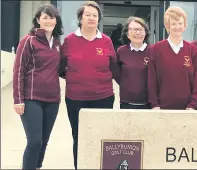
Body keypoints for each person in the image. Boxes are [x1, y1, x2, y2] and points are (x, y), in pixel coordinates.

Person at [58, 1, 119, 169]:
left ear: (99, 19)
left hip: (104, 97)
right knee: (79, 137)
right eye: (88, 15)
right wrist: (75, 77)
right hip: (76, 98)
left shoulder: (106, 41)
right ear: (80, 18)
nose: (92, 18)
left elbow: (114, 68)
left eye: (95, 15)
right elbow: (60, 67)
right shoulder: (69, 41)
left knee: (101, 136)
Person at [12, 4, 63, 169]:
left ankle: (36, 166)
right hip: (31, 98)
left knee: (44, 141)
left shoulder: (56, 43)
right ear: (38, 20)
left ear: (57, 20)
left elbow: (61, 69)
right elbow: (18, 71)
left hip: (53, 100)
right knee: (35, 141)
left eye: (52, 17)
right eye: (45, 17)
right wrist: (18, 99)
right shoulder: (28, 41)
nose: (49, 20)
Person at [148, 6, 197, 110]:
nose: (177, 27)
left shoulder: (193, 50)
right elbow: (151, 80)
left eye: (180, 23)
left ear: (185, 25)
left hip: (187, 109)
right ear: (167, 26)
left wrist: (192, 105)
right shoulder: (156, 49)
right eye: (173, 23)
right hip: (161, 108)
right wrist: (154, 104)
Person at [117, 16, 151, 109]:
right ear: (127, 34)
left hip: (148, 103)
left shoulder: (153, 51)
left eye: (140, 29)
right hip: (126, 102)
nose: (138, 33)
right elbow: (117, 74)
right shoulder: (121, 51)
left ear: (146, 33)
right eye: (134, 30)